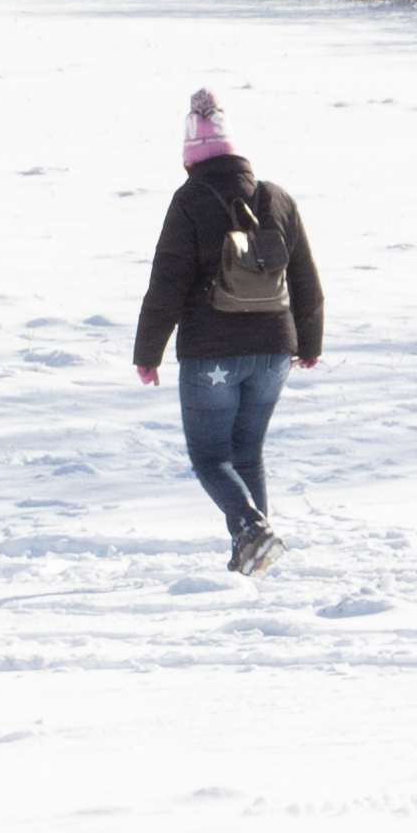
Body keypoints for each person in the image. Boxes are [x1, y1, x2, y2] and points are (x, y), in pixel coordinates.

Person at [133, 86, 321, 574]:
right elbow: (305, 278)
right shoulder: (277, 198)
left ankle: (252, 531)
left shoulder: (189, 201)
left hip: (211, 353)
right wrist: (309, 341)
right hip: (275, 350)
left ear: (191, 159)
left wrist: (148, 352)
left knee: (211, 457)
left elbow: (166, 282)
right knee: (247, 454)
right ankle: (254, 555)